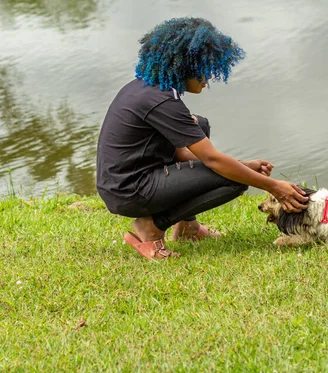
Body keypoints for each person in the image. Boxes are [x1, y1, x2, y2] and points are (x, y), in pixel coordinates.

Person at [96, 17, 308, 260]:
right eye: (205, 69)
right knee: (234, 182)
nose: (209, 78)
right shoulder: (162, 101)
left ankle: (188, 228)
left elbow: (182, 155)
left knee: (200, 125)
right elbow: (212, 160)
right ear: (186, 66)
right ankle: (151, 227)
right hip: (130, 191)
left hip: (127, 181)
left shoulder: (150, 87)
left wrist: (243, 165)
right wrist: (274, 187)